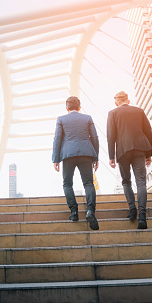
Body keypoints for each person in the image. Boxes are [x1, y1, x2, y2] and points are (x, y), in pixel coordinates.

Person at [52, 96, 100, 230]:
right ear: (79, 107)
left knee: (67, 183)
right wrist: (95, 156)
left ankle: (74, 212)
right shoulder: (87, 118)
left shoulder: (61, 119)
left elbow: (57, 139)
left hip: (68, 154)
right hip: (86, 153)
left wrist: (56, 159)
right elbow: (95, 137)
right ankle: (90, 211)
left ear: (66, 108)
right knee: (88, 183)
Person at [107, 91, 152, 229]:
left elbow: (111, 136)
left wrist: (111, 156)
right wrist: (148, 154)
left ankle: (132, 210)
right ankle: (142, 215)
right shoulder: (139, 111)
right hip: (139, 149)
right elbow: (148, 131)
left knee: (126, 181)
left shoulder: (113, 113)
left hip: (123, 151)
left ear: (116, 103)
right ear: (128, 100)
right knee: (141, 182)